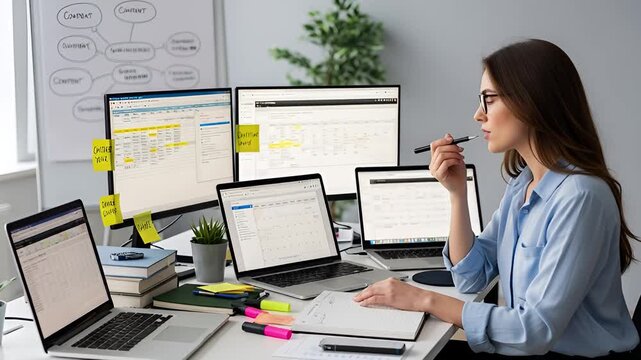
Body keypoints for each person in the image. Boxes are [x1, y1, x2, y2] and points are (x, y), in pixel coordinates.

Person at [353, 39, 639, 359]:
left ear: (531, 102)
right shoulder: (523, 186)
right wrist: (457, 194)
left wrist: (423, 299)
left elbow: (534, 330)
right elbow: (470, 276)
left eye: (488, 99)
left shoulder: (580, 197)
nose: (478, 114)